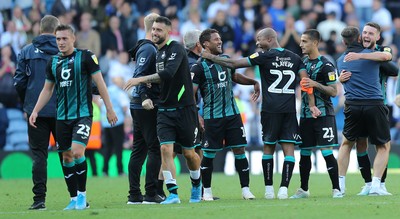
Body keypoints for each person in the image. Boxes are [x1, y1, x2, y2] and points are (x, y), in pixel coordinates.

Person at [201, 27, 320, 199]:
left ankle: (269, 190)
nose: (257, 43)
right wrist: (311, 104)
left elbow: (234, 64)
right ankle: (284, 190)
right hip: (288, 110)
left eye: (259, 39)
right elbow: (306, 82)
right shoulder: (295, 58)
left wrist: (211, 57)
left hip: (270, 110)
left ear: (270, 39)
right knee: (289, 150)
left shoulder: (263, 56)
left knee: (268, 148)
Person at [28, 24, 117, 210]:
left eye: (64, 38)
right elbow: (47, 89)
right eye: (58, 39)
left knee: (77, 152)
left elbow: (100, 83)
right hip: (61, 117)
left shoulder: (86, 56)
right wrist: (35, 110)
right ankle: (73, 197)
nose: (61, 42)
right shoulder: (52, 62)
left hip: (82, 114)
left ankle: (83, 196)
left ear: (73, 39)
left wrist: (109, 109)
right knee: (67, 157)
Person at [124, 16, 201, 204]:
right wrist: (145, 93)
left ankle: (196, 184)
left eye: (159, 30)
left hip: (184, 109)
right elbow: (156, 80)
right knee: (165, 149)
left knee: (190, 153)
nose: (155, 33)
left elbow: (167, 74)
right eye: (154, 29)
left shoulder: (175, 49)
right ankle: (173, 192)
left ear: (168, 32)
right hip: (165, 109)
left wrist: (140, 79)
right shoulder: (155, 53)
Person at [191, 28, 259, 201]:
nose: (220, 42)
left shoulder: (226, 60)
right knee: (209, 154)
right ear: (205, 44)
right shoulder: (198, 67)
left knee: (239, 150)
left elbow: (235, 77)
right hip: (212, 117)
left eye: (220, 39)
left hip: (233, 115)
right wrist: (197, 115)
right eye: (216, 39)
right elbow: (192, 94)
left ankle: (245, 189)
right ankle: (206, 191)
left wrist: (252, 82)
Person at [337, 22, 397, 196]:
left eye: (371, 33)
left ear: (378, 37)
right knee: (363, 144)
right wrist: (341, 79)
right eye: (364, 32)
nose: (366, 36)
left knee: (380, 144)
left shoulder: (382, 50)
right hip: (366, 103)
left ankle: (380, 184)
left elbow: (392, 68)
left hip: (376, 102)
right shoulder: (348, 57)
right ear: (359, 36)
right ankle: (369, 183)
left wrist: (360, 56)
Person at [13, 15, 62, 210]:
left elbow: (19, 82)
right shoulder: (64, 49)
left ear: (40, 29)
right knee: (66, 153)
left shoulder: (26, 51)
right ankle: (77, 196)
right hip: (61, 109)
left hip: (35, 111)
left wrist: (28, 103)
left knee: (39, 156)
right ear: (57, 30)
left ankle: (39, 199)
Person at [289, 29, 342, 199]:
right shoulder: (303, 63)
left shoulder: (326, 65)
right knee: (304, 152)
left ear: (315, 43)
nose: (301, 44)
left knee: (326, 151)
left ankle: (337, 189)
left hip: (324, 114)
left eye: (304, 41)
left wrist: (315, 84)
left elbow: (334, 92)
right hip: (305, 115)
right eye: (301, 41)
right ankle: (303, 189)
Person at [126, 12, 163, 204]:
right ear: (154, 26)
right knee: (154, 148)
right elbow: (138, 76)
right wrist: (143, 98)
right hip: (145, 105)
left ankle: (134, 195)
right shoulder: (148, 49)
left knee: (139, 149)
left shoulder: (146, 47)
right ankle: (150, 193)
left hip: (140, 104)